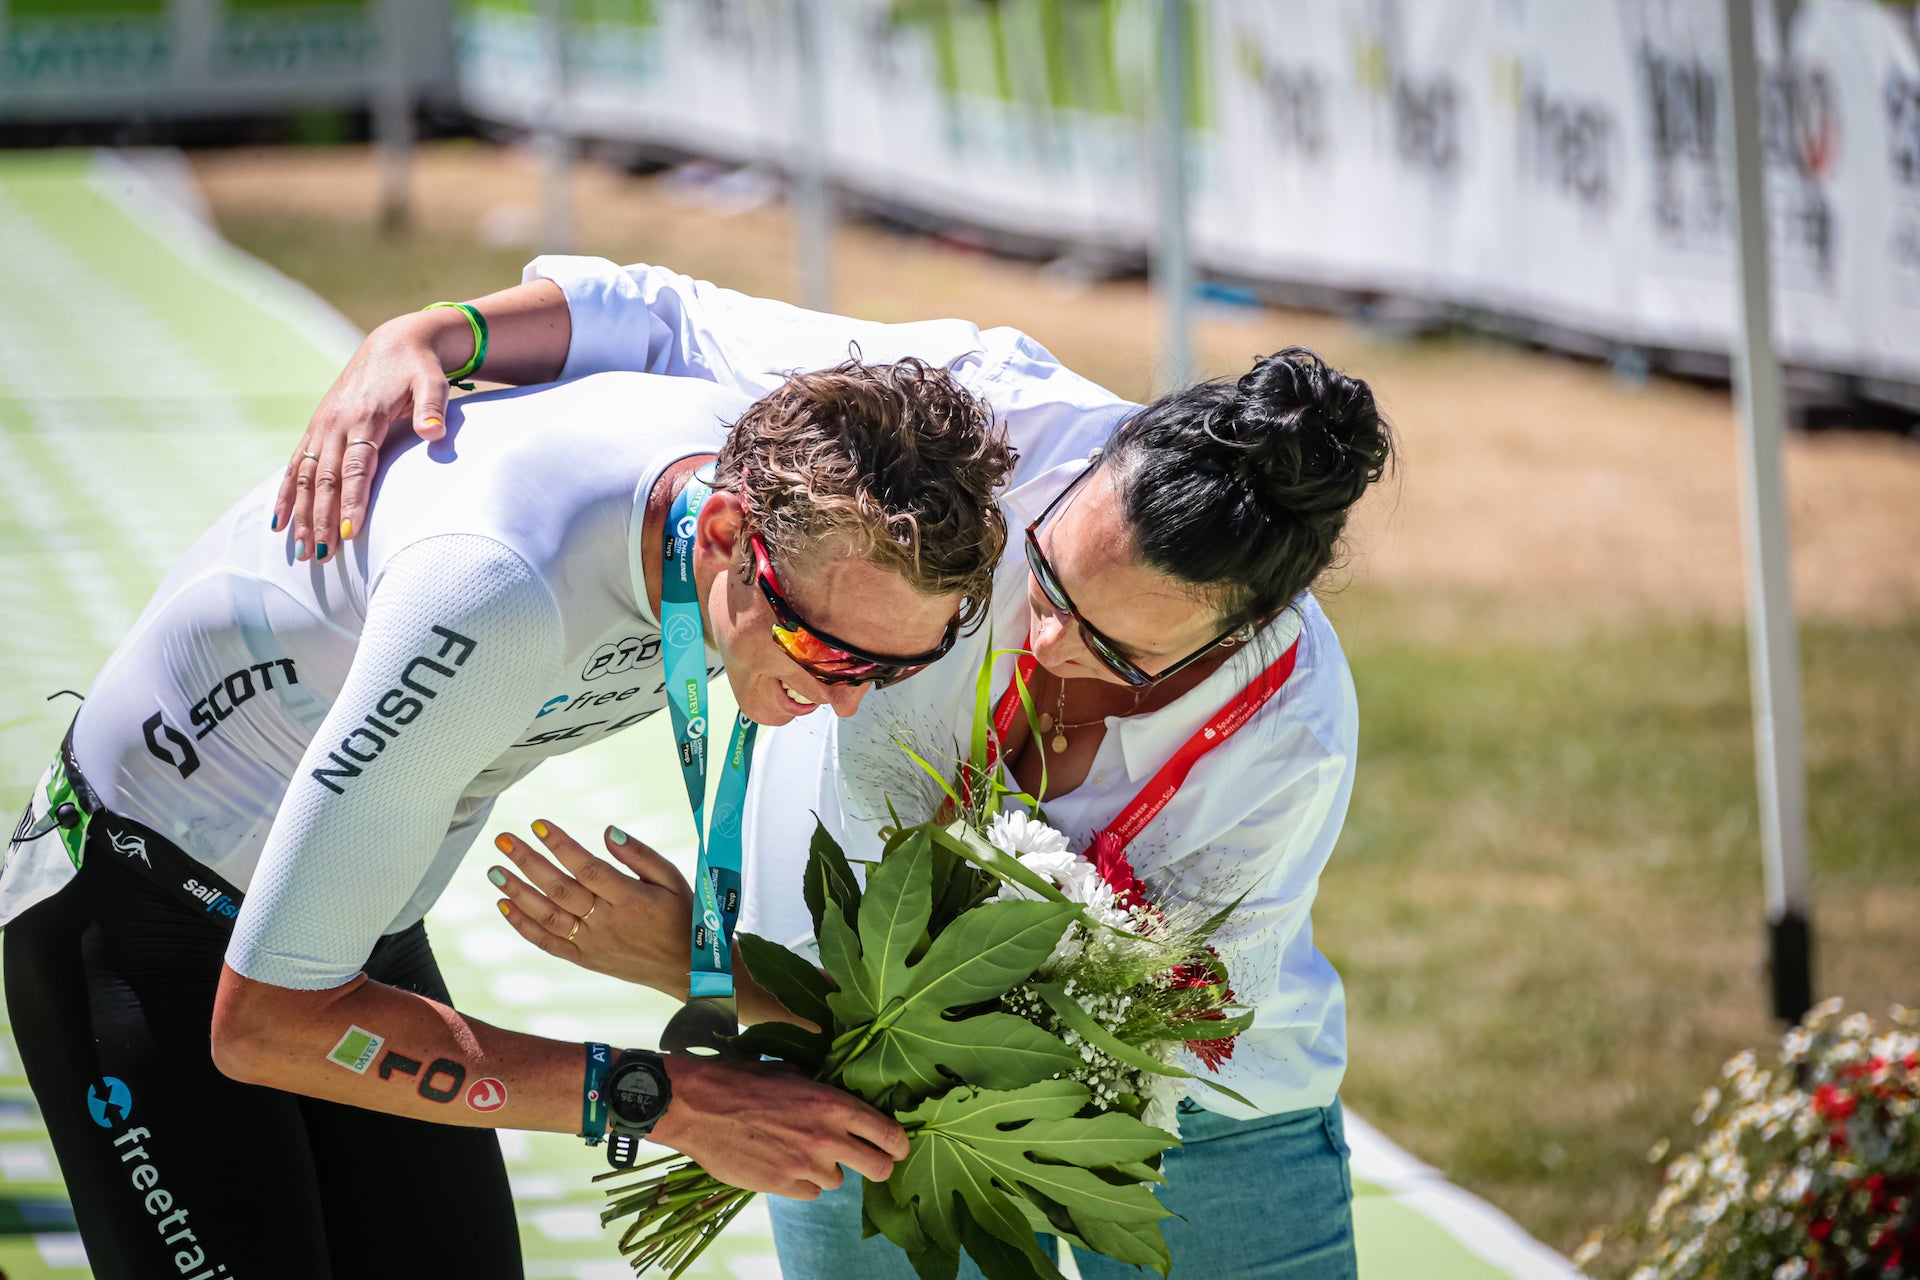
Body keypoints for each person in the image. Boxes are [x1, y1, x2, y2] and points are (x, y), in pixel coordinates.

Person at [285, 260, 1393, 1280]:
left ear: (1245, 631)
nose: (1046, 638)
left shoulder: (1286, 741)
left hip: (1197, 1123)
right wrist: (433, 332)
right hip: (831, 1081)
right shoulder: (982, 422)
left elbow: (1087, 1053)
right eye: (1044, 573)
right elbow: (670, 322)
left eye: (1117, 649)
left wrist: (696, 967)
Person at [1, 355, 1015, 1279]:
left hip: (354, 932)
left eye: (895, 664)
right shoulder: (497, 591)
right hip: (146, 927)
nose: (846, 699)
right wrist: (674, 1099)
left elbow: (639, 293)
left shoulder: (791, 470)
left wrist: (442, 328)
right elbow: (265, 1023)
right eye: (831, 652)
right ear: (723, 536)